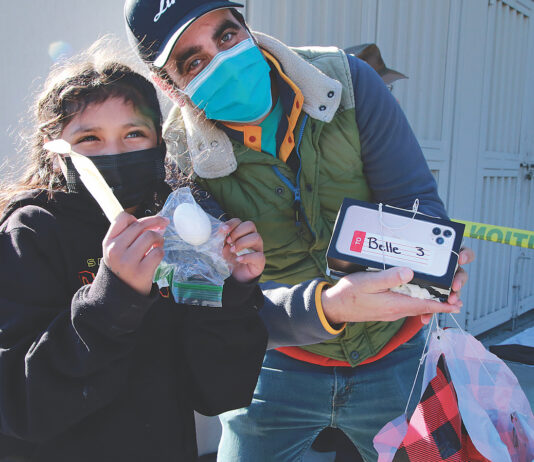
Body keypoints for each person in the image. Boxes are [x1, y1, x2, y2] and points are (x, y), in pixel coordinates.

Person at [124, 1, 475, 460]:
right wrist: (328, 306)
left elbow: (414, 198)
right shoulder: (177, 158)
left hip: (398, 355)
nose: (224, 62)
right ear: (167, 86)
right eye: (194, 62)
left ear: (247, 28)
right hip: (273, 370)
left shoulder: (347, 82)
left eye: (227, 37)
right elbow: (212, 299)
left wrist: (431, 265)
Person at [0, 48, 272, 462]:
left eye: (134, 135)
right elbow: (19, 406)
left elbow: (220, 393)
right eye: (89, 139)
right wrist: (111, 299)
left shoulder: (177, 223)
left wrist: (230, 291)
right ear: (56, 155)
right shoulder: (32, 232)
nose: (114, 154)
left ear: (159, 144)